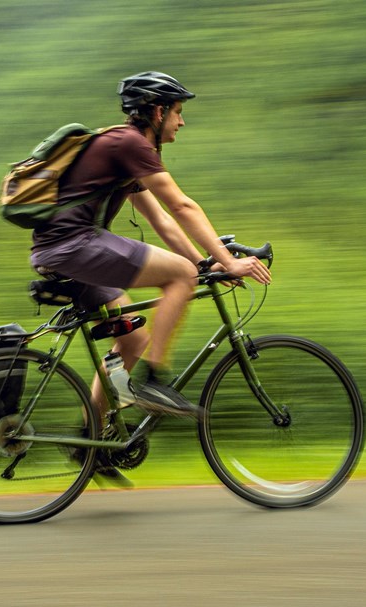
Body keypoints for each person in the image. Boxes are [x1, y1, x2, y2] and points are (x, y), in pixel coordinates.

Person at [31, 71, 271, 424]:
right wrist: (228, 264)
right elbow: (182, 206)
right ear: (158, 113)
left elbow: (162, 221)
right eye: (177, 112)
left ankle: (88, 439)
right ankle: (155, 381)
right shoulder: (130, 144)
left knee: (132, 339)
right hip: (73, 245)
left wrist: (205, 264)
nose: (182, 121)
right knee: (179, 275)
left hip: (63, 250)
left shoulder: (122, 149)